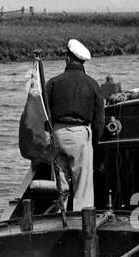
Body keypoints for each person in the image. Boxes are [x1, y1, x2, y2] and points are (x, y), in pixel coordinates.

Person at [43, 39, 104, 212]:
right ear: (82, 61)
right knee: (82, 184)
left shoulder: (53, 82)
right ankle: (81, 221)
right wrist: (95, 142)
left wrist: (48, 134)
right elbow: (99, 119)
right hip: (80, 135)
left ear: (67, 59)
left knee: (60, 184)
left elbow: (44, 112)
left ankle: (60, 217)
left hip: (57, 133)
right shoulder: (92, 84)